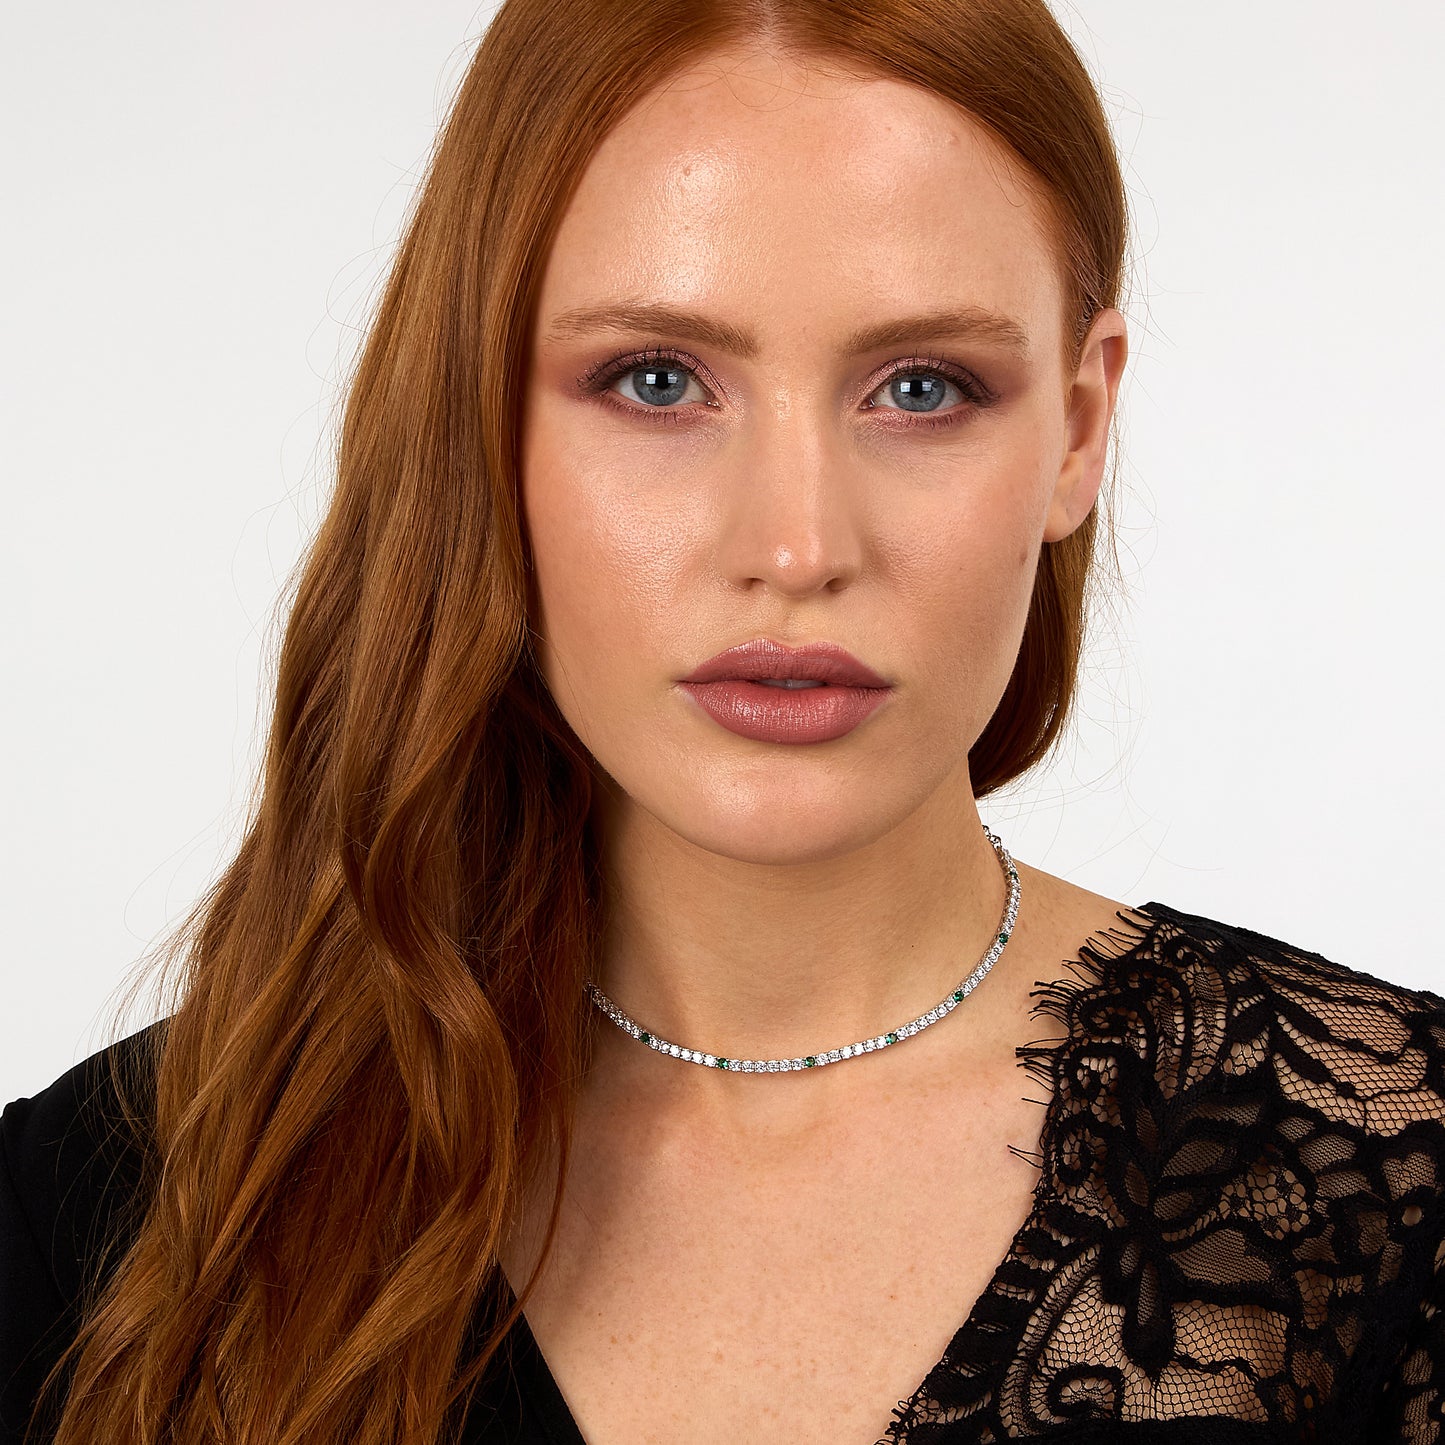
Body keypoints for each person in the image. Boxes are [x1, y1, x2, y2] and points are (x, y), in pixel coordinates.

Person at [3, 0, 1443, 1440]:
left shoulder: (1407, 1181)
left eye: (922, 388)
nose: (795, 545)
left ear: (1076, 430)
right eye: (656, 381)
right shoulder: (110, 1217)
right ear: (479, 420)